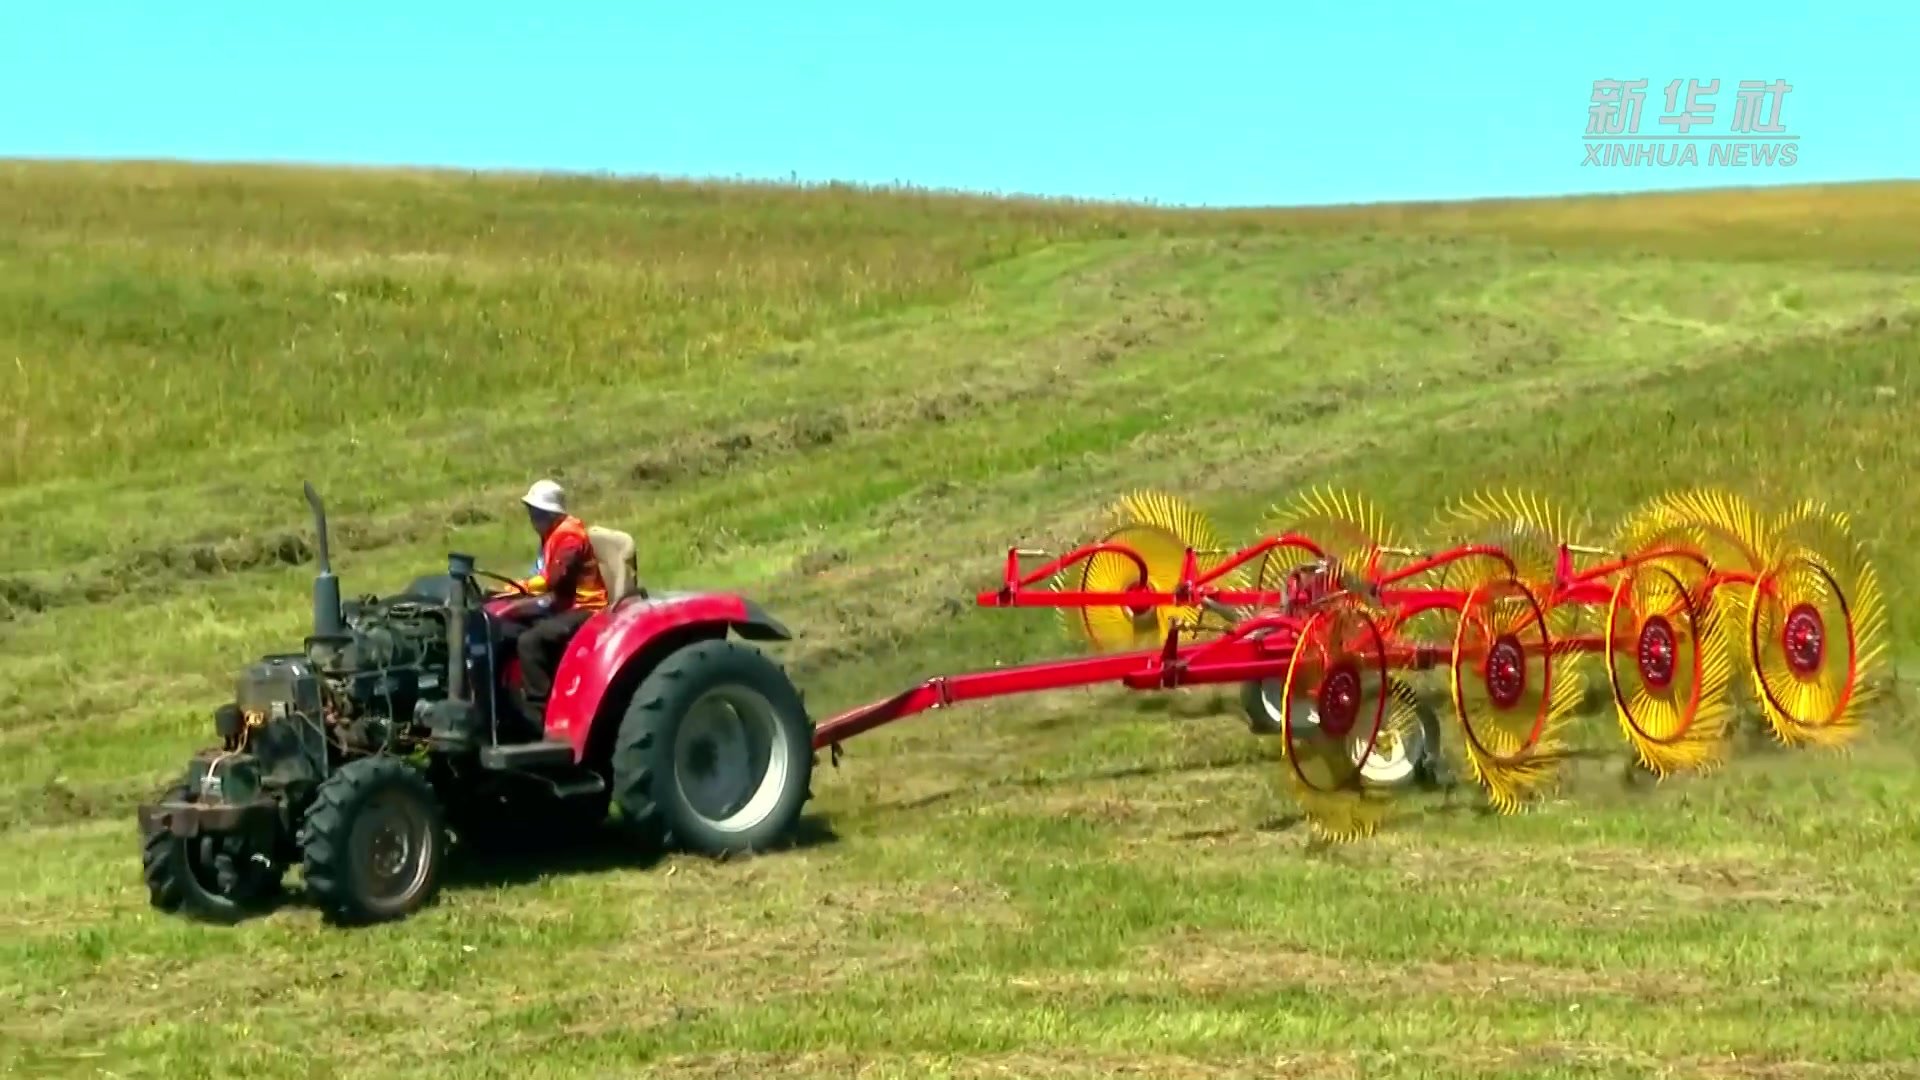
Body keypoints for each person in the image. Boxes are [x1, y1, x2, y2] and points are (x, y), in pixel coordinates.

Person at [494, 479, 610, 726]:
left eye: (536, 512)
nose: (532, 518)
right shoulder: (550, 535)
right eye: (531, 511)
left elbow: (550, 580)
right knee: (504, 626)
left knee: (530, 641)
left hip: (585, 607)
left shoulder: (569, 538)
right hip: (561, 603)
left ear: (550, 513)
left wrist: (517, 588)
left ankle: (539, 715)